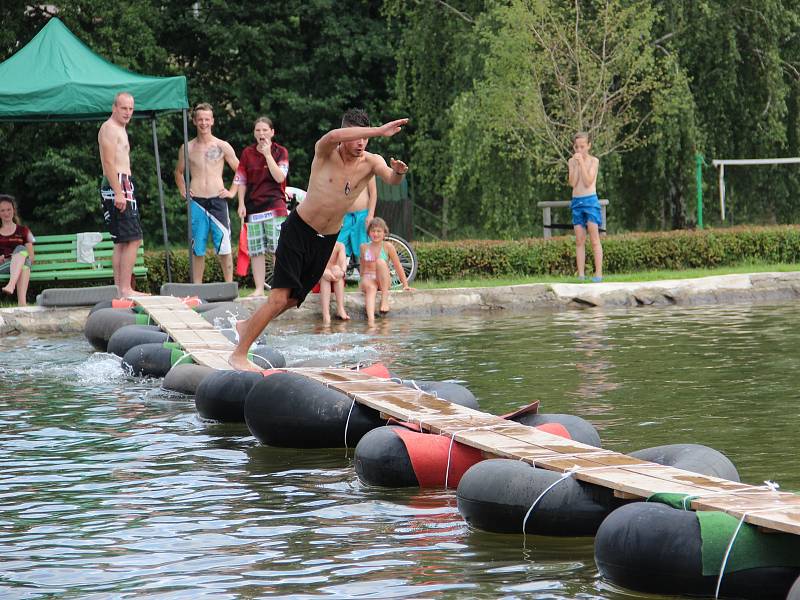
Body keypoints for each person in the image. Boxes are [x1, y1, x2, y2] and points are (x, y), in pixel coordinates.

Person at [228, 109, 409, 371]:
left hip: (326, 239)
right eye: (357, 137)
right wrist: (380, 130)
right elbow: (334, 134)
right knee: (279, 298)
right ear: (347, 135)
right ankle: (239, 354)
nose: (361, 143)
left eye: (365, 139)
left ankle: (246, 326)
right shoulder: (326, 151)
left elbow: (391, 178)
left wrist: (399, 172)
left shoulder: (371, 162)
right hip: (299, 230)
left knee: (292, 300)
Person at [174, 103, 240, 283]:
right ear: (195, 121)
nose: (204, 123)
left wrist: (232, 191)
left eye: (207, 119)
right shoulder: (187, 147)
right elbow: (178, 172)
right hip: (197, 202)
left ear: (212, 121)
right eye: (200, 119)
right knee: (197, 247)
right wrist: (183, 189)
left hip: (218, 200)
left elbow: (241, 170)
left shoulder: (222, 145)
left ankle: (229, 286)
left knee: (224, 246)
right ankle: (197, 287)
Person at [233, 116, 289, 296]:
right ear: (254, 133)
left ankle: (278, 288)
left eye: (265, 130)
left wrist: (267, 154)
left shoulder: (281, 152)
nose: (261, 133)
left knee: (277, 249)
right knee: (256, 250)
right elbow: (241, 180)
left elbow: (280, 177)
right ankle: (258, 288)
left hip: (275, 206)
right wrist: (241, 203)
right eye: (258, 130)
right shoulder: (247, 153)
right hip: (254, 208)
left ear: (272, 132)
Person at [98, 91, 145, 297]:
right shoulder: (109, 128)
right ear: (114, 107)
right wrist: (119, 192)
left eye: (130, 109)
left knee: (121, 240)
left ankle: (120, 289)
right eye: (123, 108)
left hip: (121, 184)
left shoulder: (119, 128)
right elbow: (108, 162)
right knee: (134, 238)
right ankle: (126, 288)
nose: (127, 112)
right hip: (117, 184)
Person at [359, 217, 414, 324]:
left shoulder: (388, 246)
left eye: (379, 231)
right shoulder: (364, 247)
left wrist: (405, 284)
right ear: (369, 233)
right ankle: (371, 322)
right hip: (369, 278)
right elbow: (362, 266)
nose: (376, 234)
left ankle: (384, 299)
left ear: (384, 233)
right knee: (370, 288)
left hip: (383, 280)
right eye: (373, 231)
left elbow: (398, 266)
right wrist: (361, 281)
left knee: (380, 262)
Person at [568, 131, 603, 282]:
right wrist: (576, 165)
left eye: (583, 146)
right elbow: (572, 183)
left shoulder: (594, 161)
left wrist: (582, 162)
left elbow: (588, 181)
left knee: (594, 239)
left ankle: (598, 274)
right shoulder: (571, 161)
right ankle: (581, 274)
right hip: (577, 202)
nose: (580, 150)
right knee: (579, 240)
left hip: (590, 201)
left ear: (588, 146)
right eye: (577, 147)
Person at [337, 175, 377, 274]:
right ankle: (339, 277)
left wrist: (370, 215)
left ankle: (368, 277)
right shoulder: (342, 169)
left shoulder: (368, 168)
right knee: (338, 246)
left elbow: (373, 193)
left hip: (362, 215)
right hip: (345, 216)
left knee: (363, 248)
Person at [0, 194, 35, 306]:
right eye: (2, 210)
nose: (6, 213)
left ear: (14, 210)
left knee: (24, 258)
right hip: (3, 265)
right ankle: (21, 300)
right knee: (22, 251)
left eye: (9, 209)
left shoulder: (25, 230)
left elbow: (31, 256)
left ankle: (21, 301)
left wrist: (15, 257)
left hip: (20, 264)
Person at [318, 241, 350, 325]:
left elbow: (343, 263)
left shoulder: (339, 245)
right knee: (325, 274)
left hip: (336, 280)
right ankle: (326, 313)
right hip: (320, 280)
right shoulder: (317, 243)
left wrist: (342, 272)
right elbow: (312, 264)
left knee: (336, 268)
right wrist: (323, 272)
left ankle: (340, 308)